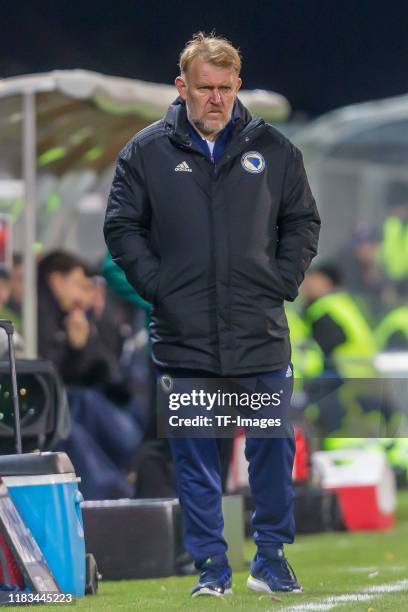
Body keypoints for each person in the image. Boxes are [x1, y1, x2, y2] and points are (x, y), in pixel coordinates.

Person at [104, 32, 320, 597]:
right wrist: (158, 287)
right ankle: (211, 571)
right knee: (195, 459)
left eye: (225, 88)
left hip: (259, 332)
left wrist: (282, 280)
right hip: (185, 337)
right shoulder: (146, 152)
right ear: (183, 87)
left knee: (272, 448)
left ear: (238, 87)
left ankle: (270, 558)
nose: (216, 98)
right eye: (205, 88)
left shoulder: (274, 150)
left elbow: (302, 220)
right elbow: (121, 228)